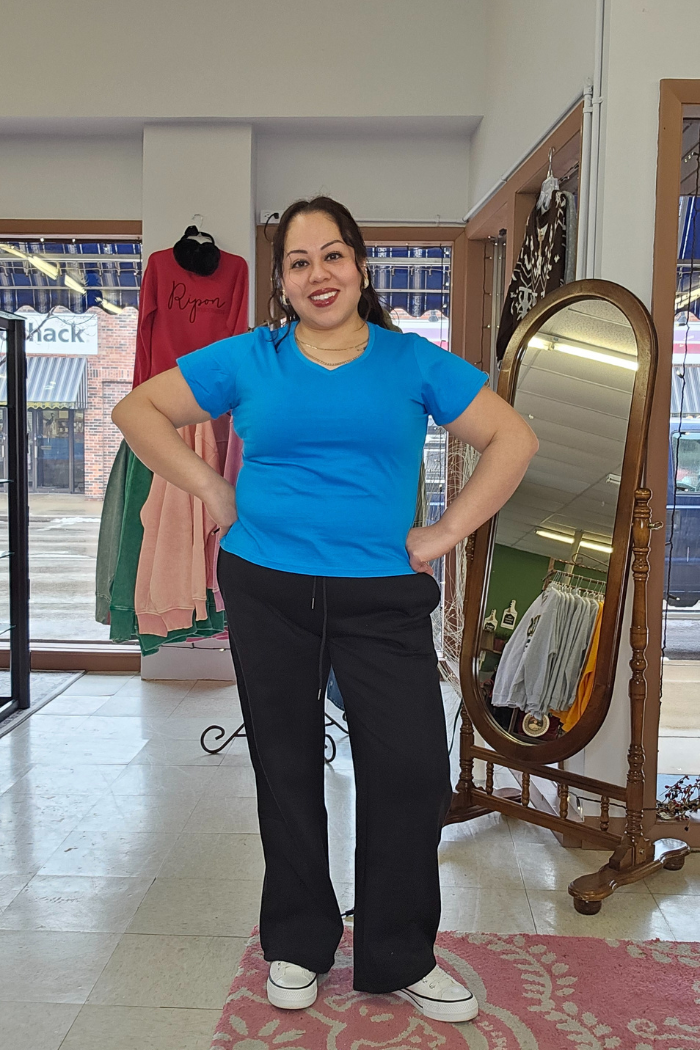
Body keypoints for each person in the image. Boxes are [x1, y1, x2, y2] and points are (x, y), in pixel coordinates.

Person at [112, 196, 538, 1025]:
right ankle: (299, 945)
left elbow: (512, 439)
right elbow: (138, 411)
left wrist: (446, 530)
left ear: (361, 266)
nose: (319, 274)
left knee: (414, 769)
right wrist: (209, 486)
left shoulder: (410, 362)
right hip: (267, 585)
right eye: (300, 261)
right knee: (286, 764)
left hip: (381, 594)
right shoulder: (252, 358)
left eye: (333, 255)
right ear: (280, 281)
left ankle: (400, 952)